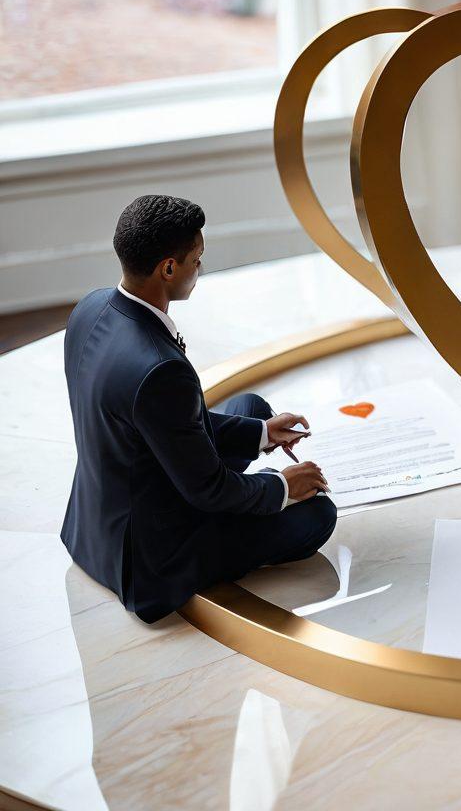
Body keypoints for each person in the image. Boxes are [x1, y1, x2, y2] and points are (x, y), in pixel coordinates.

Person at [60, 194, 336, 623]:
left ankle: (260, 438)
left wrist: (262, 433)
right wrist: (281, 487)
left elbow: (163, 422)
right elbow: (209, 491)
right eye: (197, 259)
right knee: (318, 514)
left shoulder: (90, 308)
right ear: (168, 268)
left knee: (252, 408)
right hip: (148, 560)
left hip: (94, 525)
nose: (201, 268)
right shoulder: (159, 369)